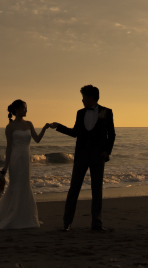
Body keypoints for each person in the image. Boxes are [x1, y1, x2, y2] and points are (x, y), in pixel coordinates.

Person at [0, 100, 49, 229]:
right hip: (16, 159)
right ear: (16, 110)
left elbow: (37, 140)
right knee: (16, 184)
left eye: (26, 108)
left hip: (26, 158)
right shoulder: (10, 127)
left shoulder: (29, 124)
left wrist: (44, 129)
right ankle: (12, 216)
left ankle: (26, 217)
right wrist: (5, 166)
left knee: (25, 185)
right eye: (23, 108)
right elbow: (9, 147)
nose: (26, 110)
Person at [49, 84, 115, 232]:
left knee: (97, 190)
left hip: (98, 156)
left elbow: (111, 134)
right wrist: (58, 126)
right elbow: (74, 133)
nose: (82, 100)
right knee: (74, 188)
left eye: (84, 97)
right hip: (81, 156)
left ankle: (96, 224)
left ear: (91, 98)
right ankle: (67, 223)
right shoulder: (80, 113)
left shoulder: (106, 112)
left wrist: (106, 152)